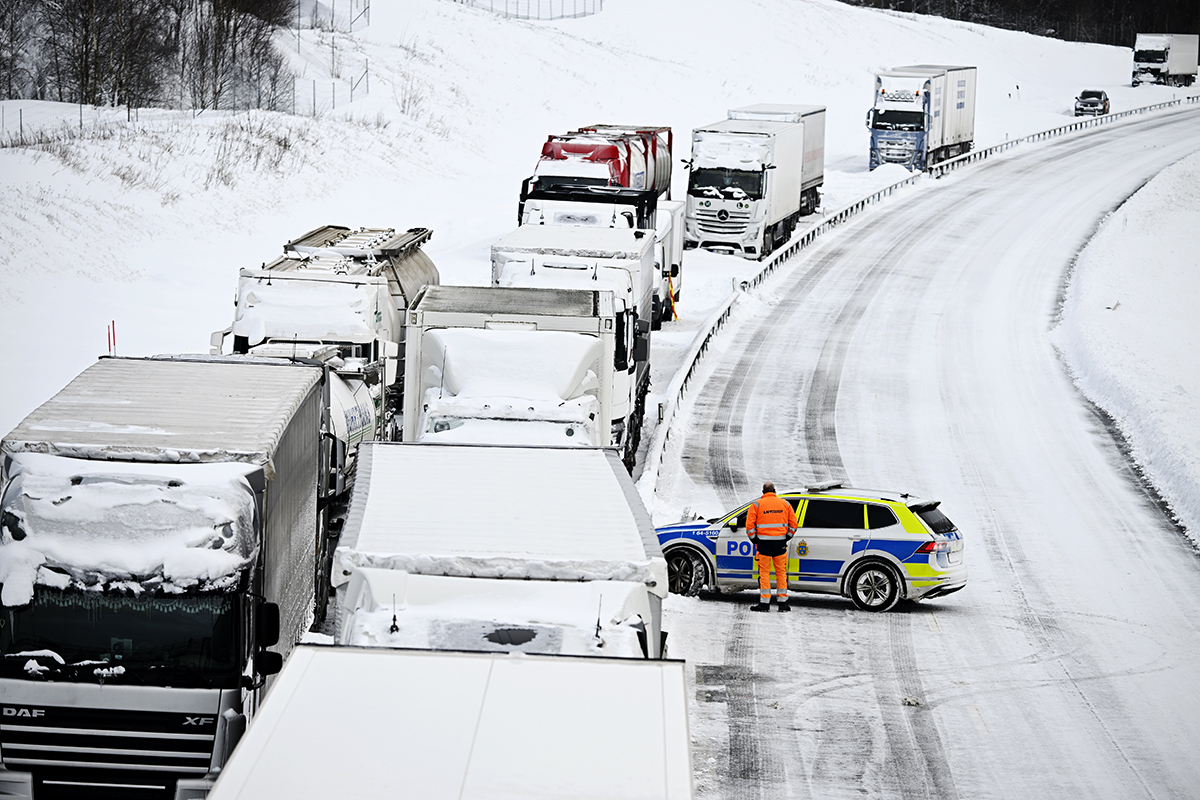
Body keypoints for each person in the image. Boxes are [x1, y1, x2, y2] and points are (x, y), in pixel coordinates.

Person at [746, 482, 797, 612]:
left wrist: (755, 540)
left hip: (763, 544)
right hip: (780, 543)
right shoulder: (785, 504)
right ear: (774, 491)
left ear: (763, 492)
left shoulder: (756, 505)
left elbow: (749, 527)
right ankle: (782, 603)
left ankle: (764, 604)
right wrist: (787, 537)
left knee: (764, 573)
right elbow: (794, 524)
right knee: (781, 572)